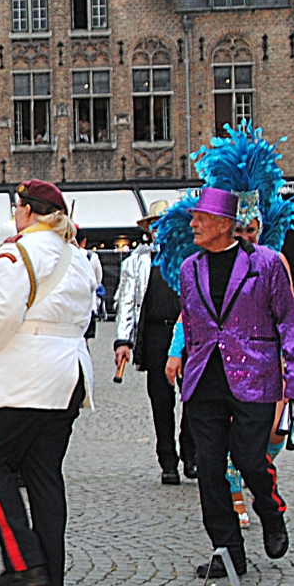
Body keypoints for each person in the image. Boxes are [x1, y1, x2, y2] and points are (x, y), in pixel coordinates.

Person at [0, 181, 93, 586]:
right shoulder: (77, 257)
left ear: (28, 211)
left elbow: (1, 316)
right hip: (68, 373)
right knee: (44, 474)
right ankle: (51, 580)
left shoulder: (16, 253)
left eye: (18, 206)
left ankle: (23, 562)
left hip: (22, 377)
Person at [169, 186, 294, 579]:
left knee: (249, 459)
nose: (193, 225)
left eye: (201, 218)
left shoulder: (266, 263)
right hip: (204, 380)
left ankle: (270, 509)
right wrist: (179, 354)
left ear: (223, 224)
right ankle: (228, 551)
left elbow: (288, 321)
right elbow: (190, 319)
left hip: (254, 376)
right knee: (209, 467)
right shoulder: (190, 268)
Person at [114, 200, 196, 485]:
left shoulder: (189, 256)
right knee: (161, 400)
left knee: (193, 396)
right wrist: (123, 340)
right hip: (155, 335)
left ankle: (191, 452)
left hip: (187, 334)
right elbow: (127, 302)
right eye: (154, 225)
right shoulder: (137, 261)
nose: (159, 230)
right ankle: (168, 461)